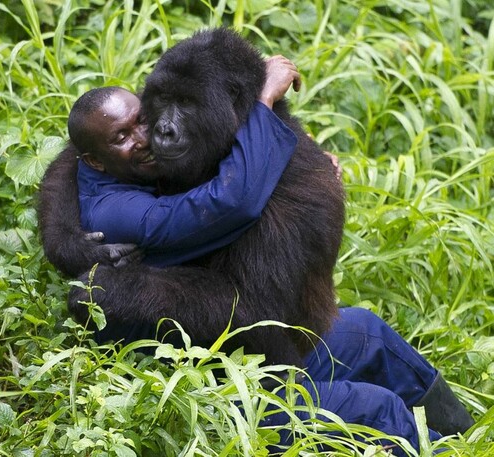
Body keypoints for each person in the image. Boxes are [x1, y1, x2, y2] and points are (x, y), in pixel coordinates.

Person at [63, 57, 473, 455]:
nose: (150, 136)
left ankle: (472, 442)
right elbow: (235, 208)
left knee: (368, 332)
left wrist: (297, 153)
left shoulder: (140, 155)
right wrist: (70, 246)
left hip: (249, 351)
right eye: (122, 137)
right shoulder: (121, 213)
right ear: (95, 161)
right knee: (379, 411)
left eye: (144, 121)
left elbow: (74, 155)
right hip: (215, 396)